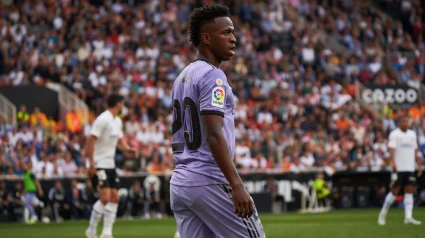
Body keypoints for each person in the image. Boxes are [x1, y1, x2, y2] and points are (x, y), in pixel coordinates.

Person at [170, 4, 265, 238]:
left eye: (232, 32)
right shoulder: (214, 77)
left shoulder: (182, 77)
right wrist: (236, 184)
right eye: (226, 32)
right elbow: (213, 134)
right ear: (206, 38)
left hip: (181, 181)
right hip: (209, 179)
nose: (234, 39)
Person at [85, 94, 138, 238]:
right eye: (122, 103)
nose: (123, 106)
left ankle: (107, 233)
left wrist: (128, 149)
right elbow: (90, 141)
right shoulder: (103, 119)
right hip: (98, 163)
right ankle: (91, 230)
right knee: (105, 197)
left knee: (115, 197)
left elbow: (120, 141)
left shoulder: (117, 121)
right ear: (118, 104)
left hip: (110, 164)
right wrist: (90, 163)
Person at [378, 115, 423, 225]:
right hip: (399, 167)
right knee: (395, 191)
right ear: (399, 123)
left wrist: (419, 165)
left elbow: (415, 150)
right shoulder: (395, 134)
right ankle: (383, 214)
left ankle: (408, 217)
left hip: (410, 167)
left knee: (409, 190)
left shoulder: (412, 134)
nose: (406, 123)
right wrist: (393, 163)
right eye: (404, 121)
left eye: (407, 121)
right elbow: (391, 149)